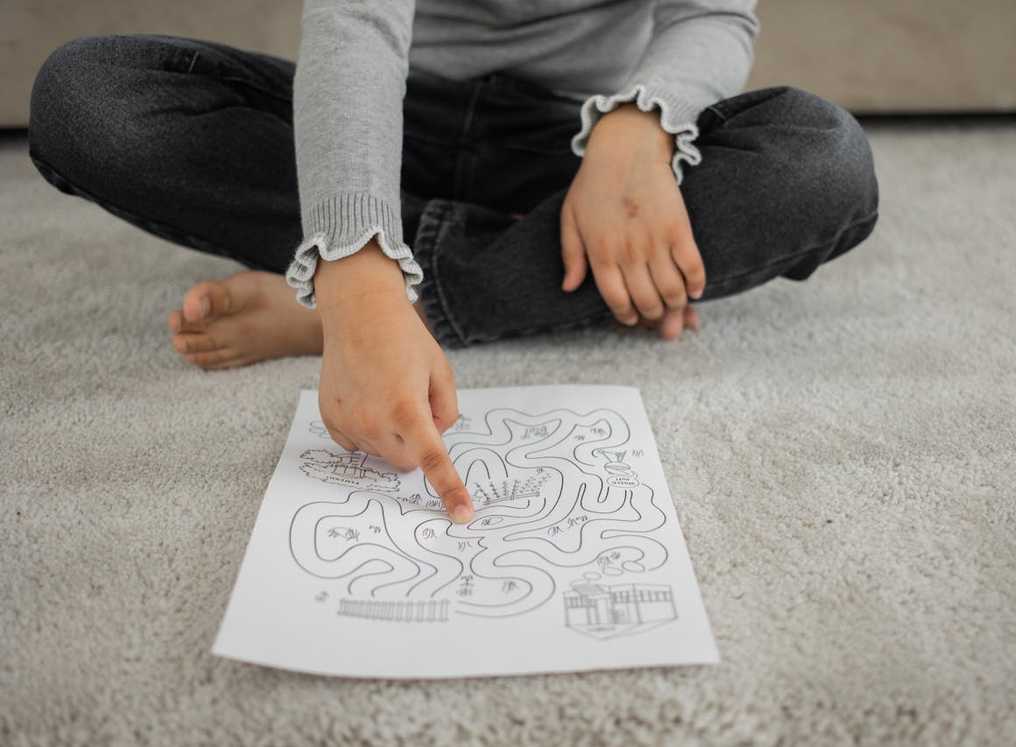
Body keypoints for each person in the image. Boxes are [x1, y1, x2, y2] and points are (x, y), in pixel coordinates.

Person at [27, 1, 879, 524]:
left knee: (823, 162)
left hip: (577, 142)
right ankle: (417, 277)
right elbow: (355, 21)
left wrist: (636, 134)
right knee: (87, 99)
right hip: (387, 120)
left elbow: (711, 13)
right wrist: (358, 271)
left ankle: (389, 300)